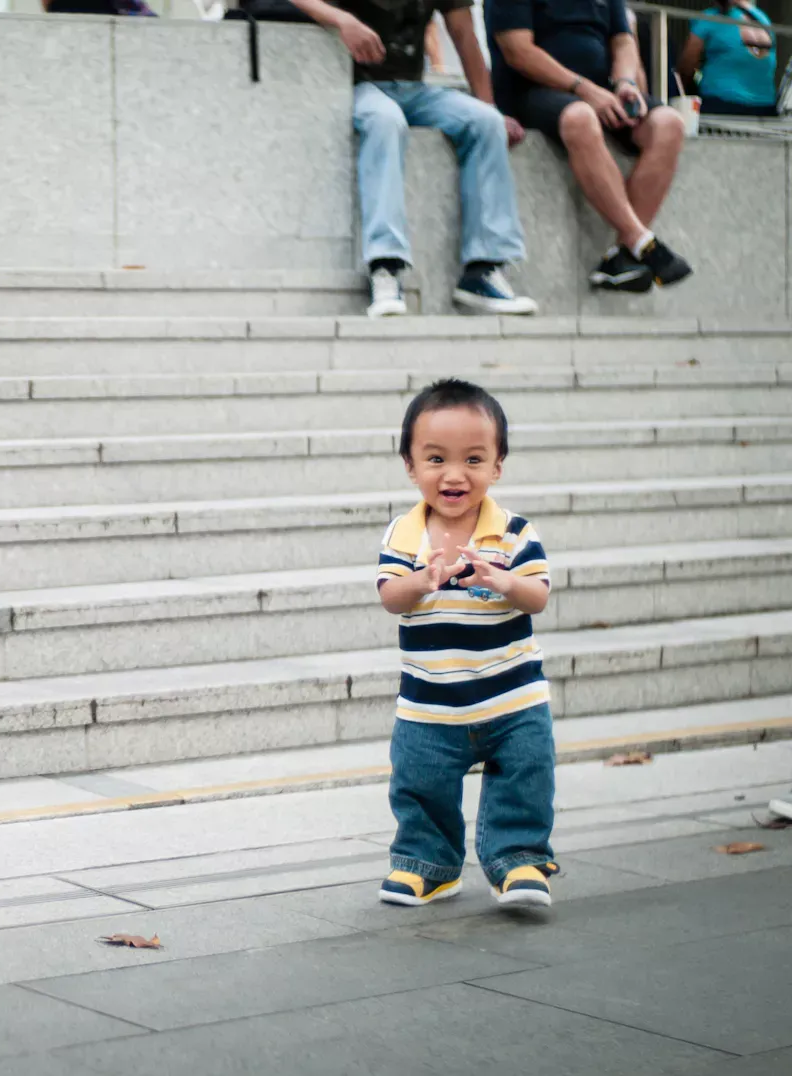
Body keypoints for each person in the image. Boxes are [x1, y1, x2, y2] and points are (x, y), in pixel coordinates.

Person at [375, 379, 558, 908]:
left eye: (473, 460)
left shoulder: (515, 533)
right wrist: (422, 580)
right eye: (436, 459)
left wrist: (505, 581)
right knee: (420, 785)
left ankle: (519, 861)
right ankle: (427, 865)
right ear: (410, 466)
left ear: (497, 466)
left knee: (525, 778)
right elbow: (390, 597)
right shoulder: (403, 536)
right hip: (429, 705)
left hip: (513, 699)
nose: (454, 475)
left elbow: (538, 596)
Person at [291, 0, 538, 318]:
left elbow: (464, 34)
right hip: (358, 85)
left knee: (486, 123)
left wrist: (490, 106)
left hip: (415, 90)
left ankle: (483, 272)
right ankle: (385, 267)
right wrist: (341, 20)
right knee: (385, 120)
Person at [488, 0, 694, 293]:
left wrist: (625, 82)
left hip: (601, 90)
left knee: (669, 123)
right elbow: (518, 51)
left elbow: (623, 40)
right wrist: (584, 90)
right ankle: (639, 238)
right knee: (581, 117)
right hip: (532, 91)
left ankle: (622, 257)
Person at [678, 1, 780, 117]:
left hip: (722, 105)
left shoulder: (710, 18)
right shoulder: (763, 19)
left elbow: (687, 66)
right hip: (766, 109)